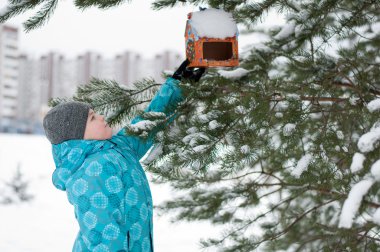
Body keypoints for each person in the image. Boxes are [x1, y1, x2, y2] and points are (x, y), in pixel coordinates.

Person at [43, 60, 205, 252]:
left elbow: (147, 123)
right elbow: (103, 237)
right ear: (79, 135)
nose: (102, 117)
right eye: (93, 118)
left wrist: (177, 85)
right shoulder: (90, 173)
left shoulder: (117, 148)